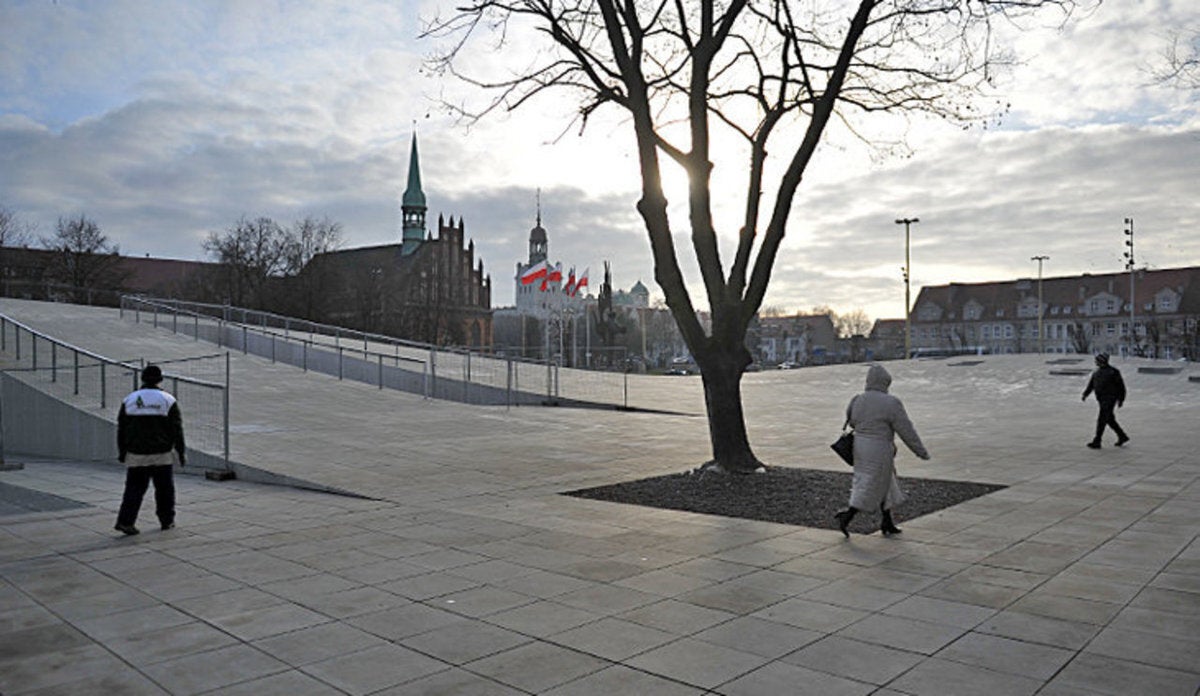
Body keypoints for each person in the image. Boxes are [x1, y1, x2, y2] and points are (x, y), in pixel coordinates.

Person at [835, 364, 930, 538]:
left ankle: (887, 522)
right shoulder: (891, 402)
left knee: (880, 482)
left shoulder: (857, 399)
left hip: (860, 448)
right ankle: (846, 517)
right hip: (879, 449)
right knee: (870, 485)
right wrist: (920, 451)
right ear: (885, 382)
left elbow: (852, 422)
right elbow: (906, 430)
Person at [115, 364, 186, 535]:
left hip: (136, 453)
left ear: (142, 379)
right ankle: (166, 520)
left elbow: (121, 429)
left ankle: (126, 521)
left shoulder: (130, 400)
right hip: (161, 454)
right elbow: (177, 429)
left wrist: (122, 452)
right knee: (164, 489)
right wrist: (181, 452)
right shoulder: (167, 400)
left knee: (134, 489)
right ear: (160, 380)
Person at [1082, 352, 1128, 449]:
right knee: (1110, 420)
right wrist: (1085, 394)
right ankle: (1122, 436)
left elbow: (1121, 386)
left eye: (1097, 360)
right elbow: (1091, 385)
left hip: (1110, 399)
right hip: (1101, 399)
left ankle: (1097, 441)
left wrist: (1121, 399)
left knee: (1102, 419)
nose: (1096, 362)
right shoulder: (1097, 372)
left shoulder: (1113, 372)